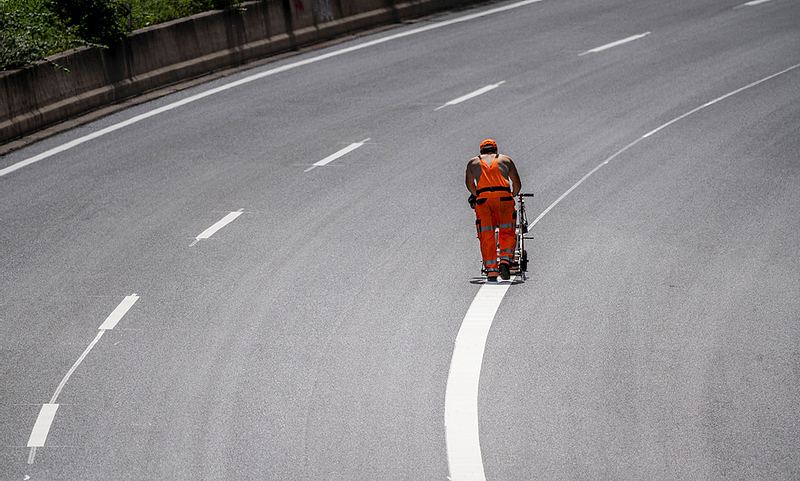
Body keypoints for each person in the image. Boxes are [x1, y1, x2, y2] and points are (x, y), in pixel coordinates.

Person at [465, 138, 522, 282]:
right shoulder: (505, 160)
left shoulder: (473, 163)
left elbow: (469, 184)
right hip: (503, 198)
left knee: (486, 234)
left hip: (484, 201)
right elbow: (517, 183)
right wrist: (512, 194)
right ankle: (504, 261)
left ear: (481, 151)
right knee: (507, 230)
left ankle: (491, 271)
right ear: (495, 150)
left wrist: (478, 195)